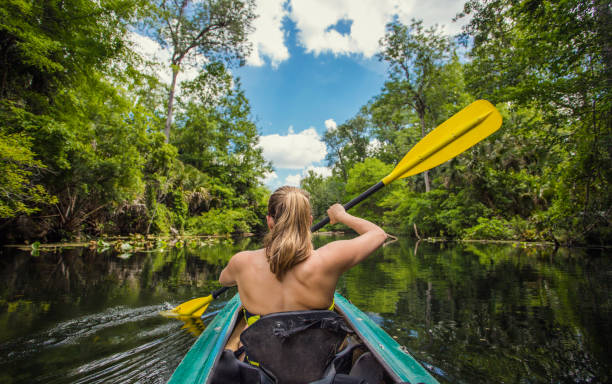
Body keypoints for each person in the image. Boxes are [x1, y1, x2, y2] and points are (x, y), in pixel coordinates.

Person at [219, 186, 386, 324]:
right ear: (309, 221)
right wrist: (342, 215)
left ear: (270, 221)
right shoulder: (329, 259)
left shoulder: (241, 262)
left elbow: (224, 280)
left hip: (259, 363)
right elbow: (378, 234)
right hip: (318, 363)